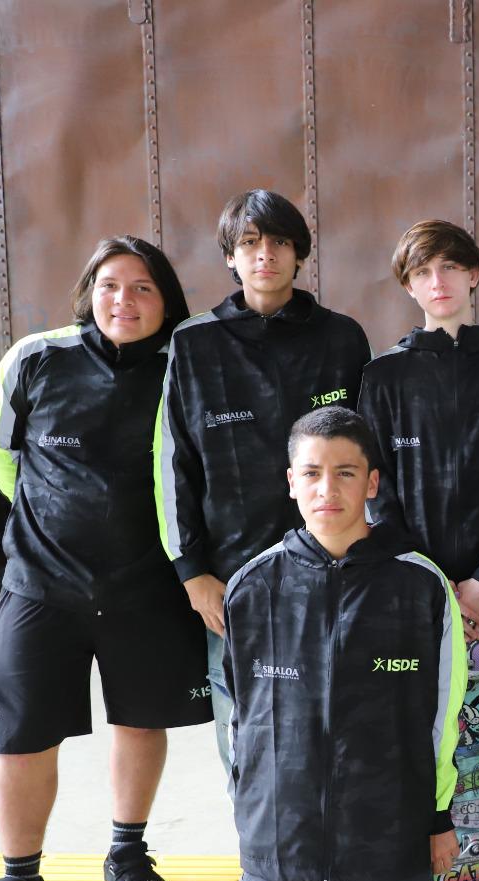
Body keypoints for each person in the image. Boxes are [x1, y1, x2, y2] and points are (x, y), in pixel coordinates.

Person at [0, 236, 210, 881]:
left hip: (147, 586)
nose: (123, 301)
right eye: (109, 286)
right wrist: (48, 516)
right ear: (87, 292)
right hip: (41, 586)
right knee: (22, 734)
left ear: (165, 302)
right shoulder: (37, 359)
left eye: (142, 289)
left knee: (140, 720)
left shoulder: (181, 370)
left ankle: (126, 853)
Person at [221, 406, 464, 881]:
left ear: (373, 483)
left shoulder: (420, 585)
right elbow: (238, 720)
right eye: (313, 474)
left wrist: (438, 819)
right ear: (291, 481)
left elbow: (444, 715)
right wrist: (250, 814)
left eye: (346, 473)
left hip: (389, 833)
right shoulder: (254, 585)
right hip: (287, 836)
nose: (328, 490)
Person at [358, 219, 479, 881]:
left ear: (474, 274)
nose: (437, 283)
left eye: (449, 268)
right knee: (438, 720)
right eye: (422, 273)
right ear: (409, 286)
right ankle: (453, 841)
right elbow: (374, 492)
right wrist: (438, 585)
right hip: (421, 592)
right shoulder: (384, 377)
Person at [156, 189, 370, 773]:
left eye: (278, 242)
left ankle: (331, 848)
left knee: (338, 709)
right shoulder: (195, 344)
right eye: (249, 243)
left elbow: (370, 459)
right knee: (244, 717)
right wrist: (193, 571)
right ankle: (258, 850)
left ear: (299, 253)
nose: (265, 255)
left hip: (333, 561)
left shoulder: (341, 337)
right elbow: (174, 461)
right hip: (232, 571)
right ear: (230, 255)